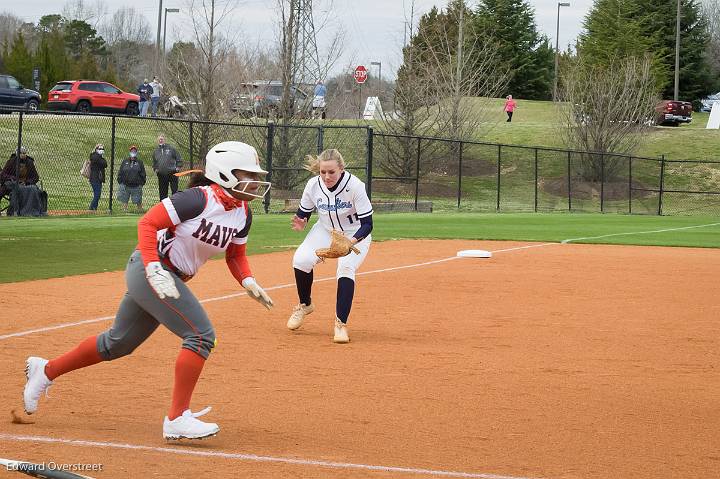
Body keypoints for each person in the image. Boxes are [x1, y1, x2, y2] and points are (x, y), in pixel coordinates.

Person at [21, 141, 274, 440]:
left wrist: (248, 281)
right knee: (201, 335)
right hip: (149, 267)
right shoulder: (197, 198)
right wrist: (153, 267)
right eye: (249, 174)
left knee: (117, 344)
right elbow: (149, 222)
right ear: (225, 172)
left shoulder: (242, 212)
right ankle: (177, 418)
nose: (256, 182)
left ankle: (46, 370)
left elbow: (236, 255)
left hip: (167, 275)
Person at [287, 148, 373, 343]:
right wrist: (302, 221)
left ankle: (340, 324)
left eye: (331, 172)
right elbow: (305, 212)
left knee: (346, 267)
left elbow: (368, 224)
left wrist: (350, 243)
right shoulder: (313, 185)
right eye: (322, 172)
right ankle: (305, 305)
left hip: (354, 234)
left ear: (341, 169)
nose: (326, 176)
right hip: (325, 231)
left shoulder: (355, 186)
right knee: (301, 260)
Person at [117, 145, 147, 212]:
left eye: (134, 151)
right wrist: (120, 181)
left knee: (138, 200)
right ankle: (124, 210)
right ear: (129, 152)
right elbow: (120, 172)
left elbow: (143, 174)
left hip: (136, 185)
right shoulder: (125, 161)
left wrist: (141, 183)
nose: (133, 152)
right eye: (132, 151)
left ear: (136, 152)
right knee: (125, 199)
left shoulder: (139, 162)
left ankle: (139, 210)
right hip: (126, 185)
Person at [152, 135, 183, 200]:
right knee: (163, 192)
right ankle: (163, 206)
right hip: (162, 174)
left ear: (164, 140)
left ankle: (176, 204)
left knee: (174, 190)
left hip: (172, 173)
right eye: (159, 139)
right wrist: (155, 169)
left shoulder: (171, 149)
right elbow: (154, 162)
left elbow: (178, 158)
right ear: (157, 141)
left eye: (162, 139)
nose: (160, 140)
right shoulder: (155, 151)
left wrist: (178, 167)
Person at [88, 143, 107, 211]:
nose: (101, 150)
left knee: (97, 194)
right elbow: (100, 161)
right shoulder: (94, 156)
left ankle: (94, 208)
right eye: (100, 149)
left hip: (99, 179)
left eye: (102, 149)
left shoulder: (100, 157)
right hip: (94, 178)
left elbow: (105, 164)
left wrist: (101, 159)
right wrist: (100, 158)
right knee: (97, 194)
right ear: (96, 149)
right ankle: (91, 208)